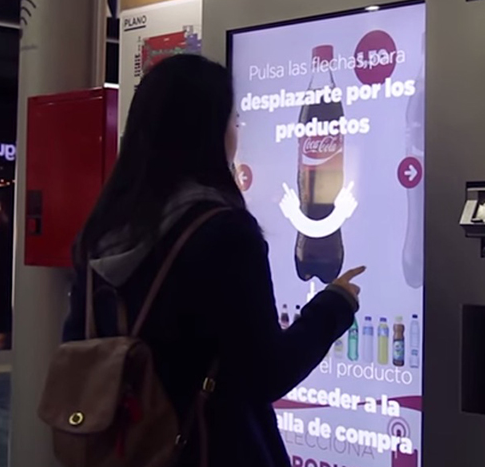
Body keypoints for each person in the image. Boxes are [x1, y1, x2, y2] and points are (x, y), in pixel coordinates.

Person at [64, 54, 364, 467]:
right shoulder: (223, 234)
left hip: (121, 450)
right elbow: (266, 373)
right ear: (208, 131)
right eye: (233, 120)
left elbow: (78, 346)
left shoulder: (101, 229)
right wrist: (335, 305)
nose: (236, 131)